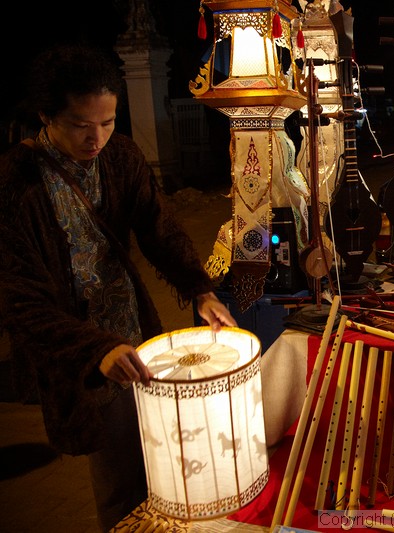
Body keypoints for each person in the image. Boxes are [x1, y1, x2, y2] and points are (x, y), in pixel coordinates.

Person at [0, 44, 237, 531]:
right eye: (81, 124)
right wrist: (94, 349)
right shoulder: (16, 182)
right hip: (80, 351)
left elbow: (159, 229)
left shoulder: (121, 156)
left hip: (133, 331)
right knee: (117, 479)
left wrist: (201, 290)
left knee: (163, 463)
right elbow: (20, 298)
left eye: (107, 122)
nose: (97, 137)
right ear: (47, 115)